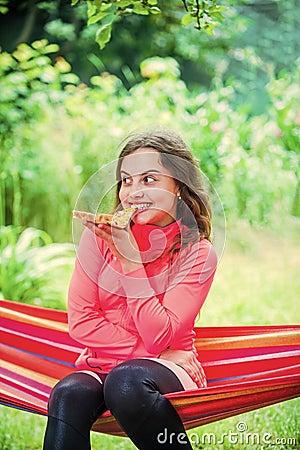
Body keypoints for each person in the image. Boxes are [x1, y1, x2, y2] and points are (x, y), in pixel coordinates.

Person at [43, 129, 218, 450]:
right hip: (105, 365)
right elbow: (81, 321)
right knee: (69, 392)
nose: (133, 192)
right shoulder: (97, 239)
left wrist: (130, 261)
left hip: (168, 371)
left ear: (178, 186)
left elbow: (159, 333)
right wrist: (155, 351)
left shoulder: (197, 253)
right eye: (126, 180)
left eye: (149, 179)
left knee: (126, 382)